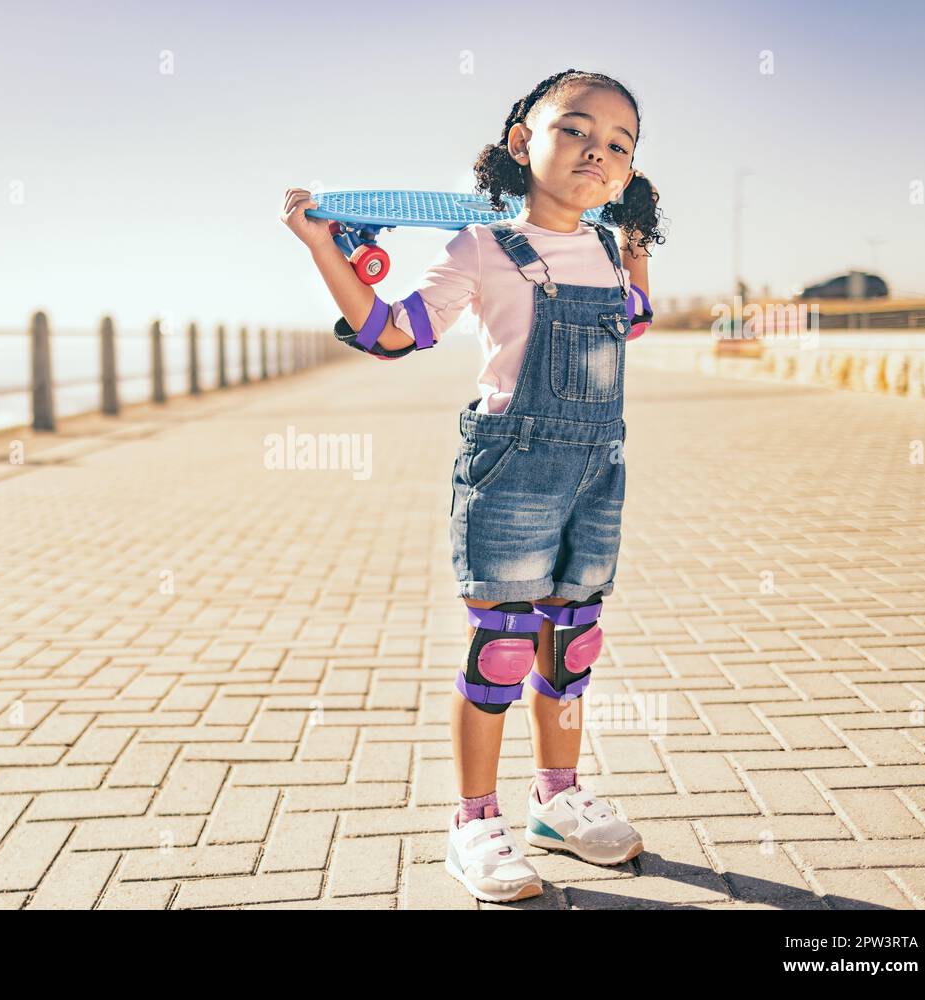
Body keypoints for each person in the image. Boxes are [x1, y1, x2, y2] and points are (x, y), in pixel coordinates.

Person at [281, 68, 666, 903]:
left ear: (628, 174)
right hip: (513, 470)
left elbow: (634, 318)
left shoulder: (607, 248)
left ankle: (557, 802)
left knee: (572, 646)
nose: (595, 150)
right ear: (524, 141)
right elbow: (391, 334)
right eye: (575, 129)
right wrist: (325, 250)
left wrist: (635, 243)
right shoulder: (483, 247)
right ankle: (475, 823)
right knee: (501, 648)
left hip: (598, 471)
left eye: (618, 144)